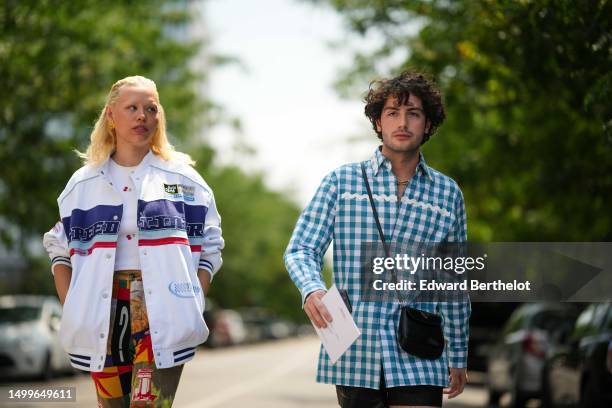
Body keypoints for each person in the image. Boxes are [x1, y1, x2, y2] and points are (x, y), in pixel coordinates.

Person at [284, 70, 470, 408]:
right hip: (356, 351)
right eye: (392, 113)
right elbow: (301, 249)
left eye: (413, 113)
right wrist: (311, 288)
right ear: (378, 122)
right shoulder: (341, 183)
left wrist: (458, 353)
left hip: (419, 352)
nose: (403, 122)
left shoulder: (448, 194)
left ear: (427, 124)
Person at [43, 75, 224, 407]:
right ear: (111, 115)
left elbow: (211, 245)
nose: (143, 116)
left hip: (163, 311)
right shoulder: (81, 184)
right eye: (132, 108)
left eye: (151, 108)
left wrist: (193, 299)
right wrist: (73, 306)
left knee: (148, 405)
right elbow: (59, 247)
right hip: (101, 312)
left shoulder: (184, 179)